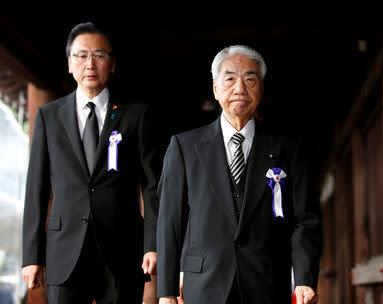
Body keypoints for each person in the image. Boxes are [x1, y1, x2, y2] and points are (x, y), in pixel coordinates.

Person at [156, 45, 323, 304]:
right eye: (230, 78)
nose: (240, 89)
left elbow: (305, 219)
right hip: (203, 284)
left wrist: (304, 278)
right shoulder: (184, 147)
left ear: (261, 88)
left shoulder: (289, 150)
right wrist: (166, 291)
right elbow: (169, 222)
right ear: (215, 87)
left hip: (267, 283)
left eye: (250, 79)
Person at [21, 22, 160, 304]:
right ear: (70, 64)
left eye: (99, 55)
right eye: (81, 55)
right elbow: (36, 187)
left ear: (113, 64)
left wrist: (152, 244)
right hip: (64, 250)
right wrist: (32, 256)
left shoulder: (136, 115)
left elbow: (152, 185)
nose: (90, 64)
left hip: (122, 248)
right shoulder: (49, 116)